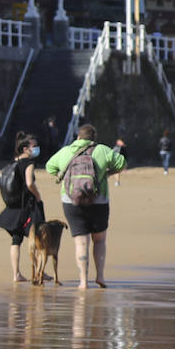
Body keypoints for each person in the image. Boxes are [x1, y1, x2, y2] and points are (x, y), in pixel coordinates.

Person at [45, 124, 127, 289]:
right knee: (99, 239)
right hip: (99, 200)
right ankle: (101, 277)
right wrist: (106, 173)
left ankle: (83, 281)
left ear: (78, 138)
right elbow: (122, 163)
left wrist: (63, 175)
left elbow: (49, 167)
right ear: (94, 138)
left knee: (81, 242)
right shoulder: (102, 150)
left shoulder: (66, 151)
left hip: (71, 200)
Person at [0, 133, 46, 281]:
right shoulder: (29, 163)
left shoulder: (14, 163)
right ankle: (39, 271)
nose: (36, 148)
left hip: (13, 208)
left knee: (16, 240)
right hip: (27, 207)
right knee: (37, 239)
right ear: (25, 149)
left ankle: (16, 274)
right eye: (34, 146)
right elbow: (30, 183)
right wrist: (38, 196)